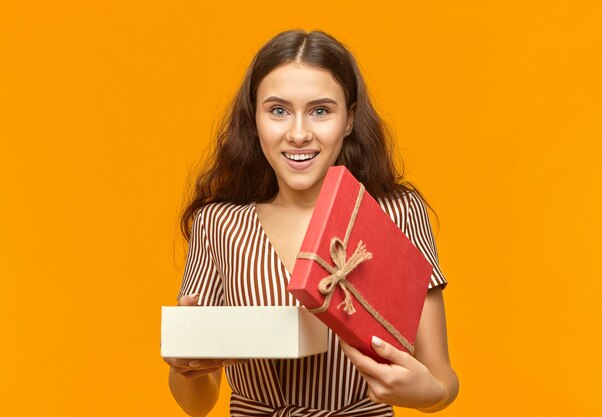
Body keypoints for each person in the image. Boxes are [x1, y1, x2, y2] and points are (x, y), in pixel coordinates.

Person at [163, 29, 459, 417]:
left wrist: (426, 392)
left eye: (320, 111)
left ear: (349, 120)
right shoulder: (218, 223)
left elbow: (443, 381)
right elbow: (197, 405)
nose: (299, 133)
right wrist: (188, 369)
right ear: (254, 119)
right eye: (278, 110)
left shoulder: (394, 213)